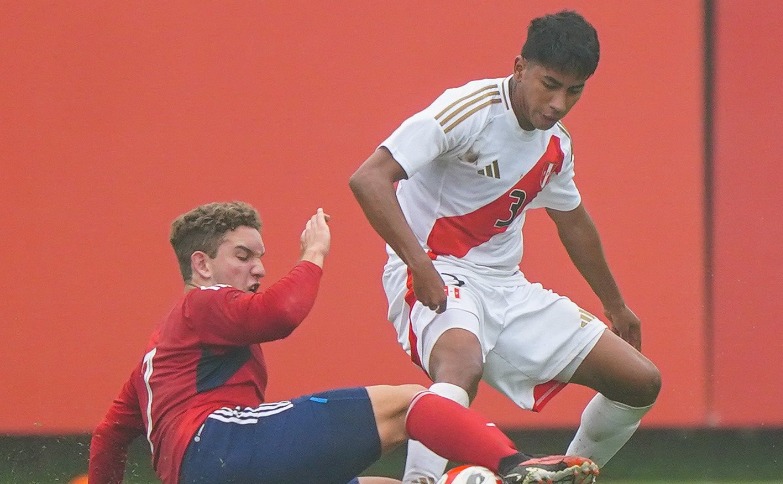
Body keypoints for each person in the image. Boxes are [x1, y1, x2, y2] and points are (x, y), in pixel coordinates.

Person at [349, 9, 661, 484]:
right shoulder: (467, 109)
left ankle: (567, 475)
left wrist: (616, 306)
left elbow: (572, 220)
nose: (558, 103)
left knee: (639, 381)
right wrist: (420, 267)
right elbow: (369, 178)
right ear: (519, 68)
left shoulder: (556, 145)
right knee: (460, 363)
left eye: (574, 91)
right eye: (549, 83)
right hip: (435, 269)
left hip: (505, 288)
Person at [87, 201, 599, 484]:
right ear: (201, 265)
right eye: (243, 255)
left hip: (211, 470)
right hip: (220, 449)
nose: (259, 268)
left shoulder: (153, 363)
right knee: (409, 402)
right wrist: (313, 254)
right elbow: (281, 313)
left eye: (260, 256)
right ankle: (514, 467)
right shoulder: (203, 303)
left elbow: (110, 437)